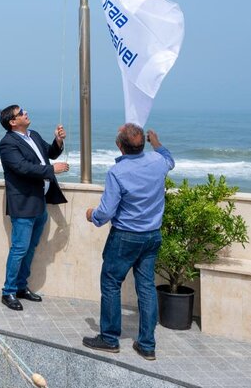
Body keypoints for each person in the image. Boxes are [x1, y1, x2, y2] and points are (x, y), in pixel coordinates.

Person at [83, 124, 175, 361]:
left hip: (126, 236)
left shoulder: (117, 172)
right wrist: (156, 141)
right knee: (146, 287)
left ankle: (110, 338)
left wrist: (91, 214)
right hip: (152, 235)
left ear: (119, 146)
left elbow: (106, 212)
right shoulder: (157, 162)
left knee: (111, 283)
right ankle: (147, 344)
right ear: (143, 143)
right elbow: (169, 158)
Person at [0, 105, 69, 311]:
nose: (25, 113)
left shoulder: (34, 135)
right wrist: (51, 170)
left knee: (30, 248)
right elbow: (22, 168)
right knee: (19, 249)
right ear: (12, 122)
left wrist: (58, 140)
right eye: (21, 113)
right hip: (23, 204)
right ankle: (8, 291)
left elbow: (50, 153)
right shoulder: (7, 143)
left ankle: (21, 286)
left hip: (39, 202)